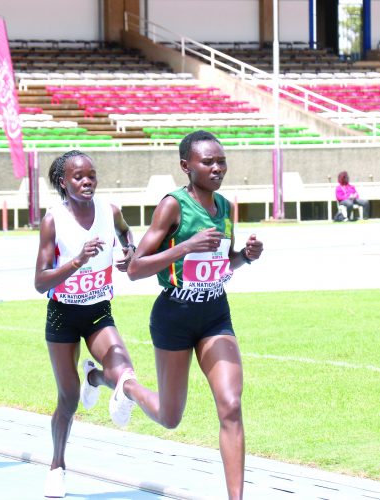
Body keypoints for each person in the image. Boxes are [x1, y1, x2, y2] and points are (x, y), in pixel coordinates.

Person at [125, 130, 263, 500]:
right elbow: (135, 268)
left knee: (231, 405)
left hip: (215, 315)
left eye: (221, 160)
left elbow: (221, 264)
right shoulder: (172, 206)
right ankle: (126, 386)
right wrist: (185, 246)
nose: (217, 167)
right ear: (187, 166)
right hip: (174, 315)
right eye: (208, 161)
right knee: (170, 417)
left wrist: (245, 258)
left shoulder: (225, 207)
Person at [34, 150, 152, 498]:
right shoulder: (53, 221)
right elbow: (40, 282)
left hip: (98, 310)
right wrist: (78, 261)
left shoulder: (110, 210)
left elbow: (128, 234)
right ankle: (57, 465)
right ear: (62, 182)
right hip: (62, 315)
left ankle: (96, 377)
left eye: (92, 175)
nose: (87, 182)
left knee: (123, 369)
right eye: (78, 177)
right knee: (68, 400)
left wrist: (129, 252)